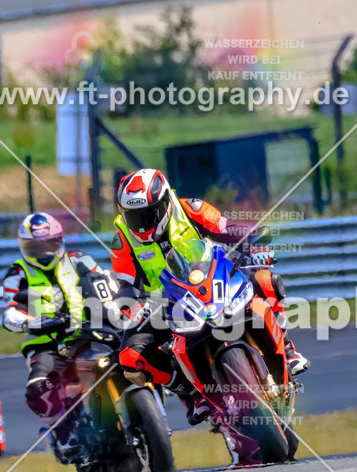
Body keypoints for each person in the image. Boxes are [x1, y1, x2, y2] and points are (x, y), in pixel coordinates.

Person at [110, 168, 309, 427]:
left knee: (264, 280)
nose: (142, 222)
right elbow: (125, 285)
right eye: (134, 216)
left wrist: (254, 243)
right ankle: (192, 392)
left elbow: (228, 229)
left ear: (165, 203)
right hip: (167, 304)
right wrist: (132, 308)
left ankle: (288, 349)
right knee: (130, 357)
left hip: (215, 281)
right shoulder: (122, 237)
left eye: (148, 213)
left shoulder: (191, 209)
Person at [2, 212, 108, 463]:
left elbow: (106, 282)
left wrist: (114, 303)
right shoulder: (17, 272)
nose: (44, 252)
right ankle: (61, 433)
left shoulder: (80, 259)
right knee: (37, 389)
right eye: (35, 247)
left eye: (49, 243)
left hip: (90, 331)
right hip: (47, 343)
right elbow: (9, 313)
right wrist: (31, 321)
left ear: (60, 240)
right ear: (24, 247)